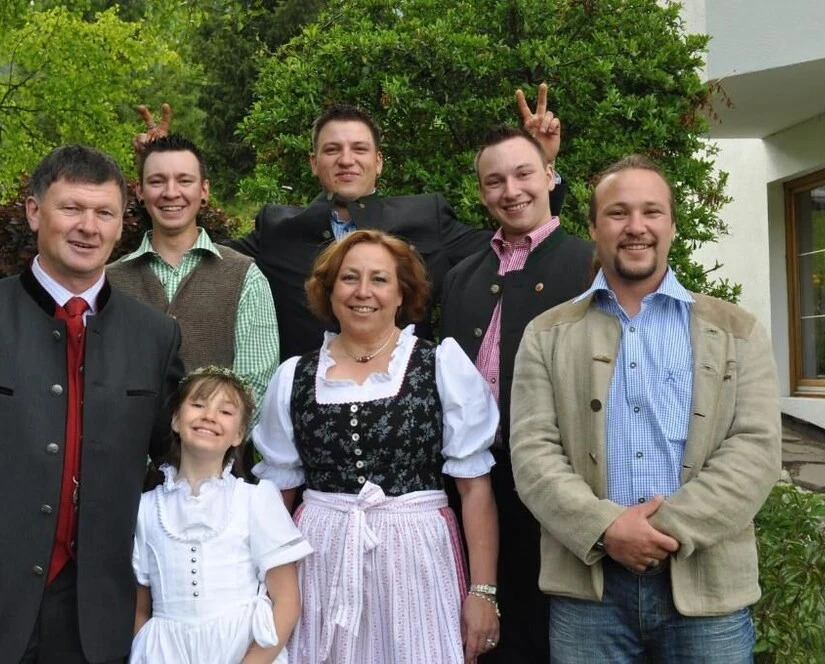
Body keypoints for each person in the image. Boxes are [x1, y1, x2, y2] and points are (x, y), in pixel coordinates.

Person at [0, 145, 185, 664]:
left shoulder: (156, 337)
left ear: (121, 225)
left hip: (106, 618)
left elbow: (179, 468)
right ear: (34, 212)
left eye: (104, 213)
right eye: (71, 208)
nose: (88, 227)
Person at [509, 155, 782, 663]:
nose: (636, 226)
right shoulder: (546, 335)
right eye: (618, 213)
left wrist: (661, 532)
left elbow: (756, 450)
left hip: (708, 592)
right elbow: (532, 454)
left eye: (652, 212)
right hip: (588, 595)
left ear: (672, 226)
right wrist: (607, 529)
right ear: (594, 228)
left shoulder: (736, 331)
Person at [253, 230, 501, 663]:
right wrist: (264, 584)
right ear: (330, 291)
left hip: (416, 555)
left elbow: (474, 488)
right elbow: (278, 495)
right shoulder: (295, 375)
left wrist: (483, 592)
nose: (363, 292)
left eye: (380, 279)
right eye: (349, 278)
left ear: (402, 293)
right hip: (320, 555)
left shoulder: (439, 364)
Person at [217, 85, 566, 359]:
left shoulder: (426, 217)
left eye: (359, 149)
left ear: (379, 161)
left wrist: (538, 163)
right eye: (332, 150)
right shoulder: (278, 229)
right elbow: (199, 255)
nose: (346, 160)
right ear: (313, 162)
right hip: (310, 401)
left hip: (407, 398)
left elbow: (516, 243)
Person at [440, 125, 593, 664]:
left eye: (524, 173)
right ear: (481, 192)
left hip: (562, 484)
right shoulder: (461, 276)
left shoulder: (590, 266)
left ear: (551, 174)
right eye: (495, 181)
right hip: (475, 486)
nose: (511, 191)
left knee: (553, 635)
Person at [130, 365, 311, 664]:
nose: (210, 416)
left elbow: (287, 601)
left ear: (239, 434)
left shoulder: (255, 499)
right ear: (175, 420)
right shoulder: (146, 508)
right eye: (198, 405)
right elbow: (140, 609)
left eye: (225, 412)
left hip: (240, 651)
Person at [107, 134, 279, 405]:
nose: (171, 192)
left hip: (219, 433)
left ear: (204, 190)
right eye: (157, 181)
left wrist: (208, 431)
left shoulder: (245, 276)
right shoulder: (108, 281)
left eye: (184, 180)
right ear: (140, 192)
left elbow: (255, 385)